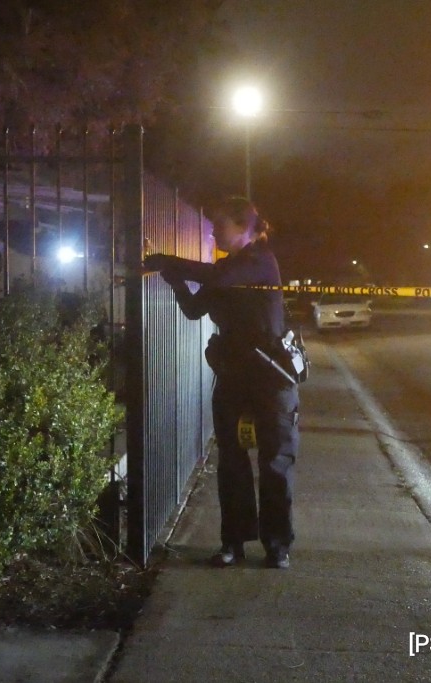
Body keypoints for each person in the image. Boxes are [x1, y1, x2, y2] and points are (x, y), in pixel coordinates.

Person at [143, 196, 298, 569]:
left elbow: (218, 279)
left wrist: (166, 261)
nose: (213, 232)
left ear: (244, 228)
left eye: (220, 225)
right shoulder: (226, 268)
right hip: (233, 373)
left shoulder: (260, 261)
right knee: (231, 461)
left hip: (271, 374)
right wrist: (174, 278)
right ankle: (233, 542)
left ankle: (277, 546)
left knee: (275, 461)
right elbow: (195, 310)